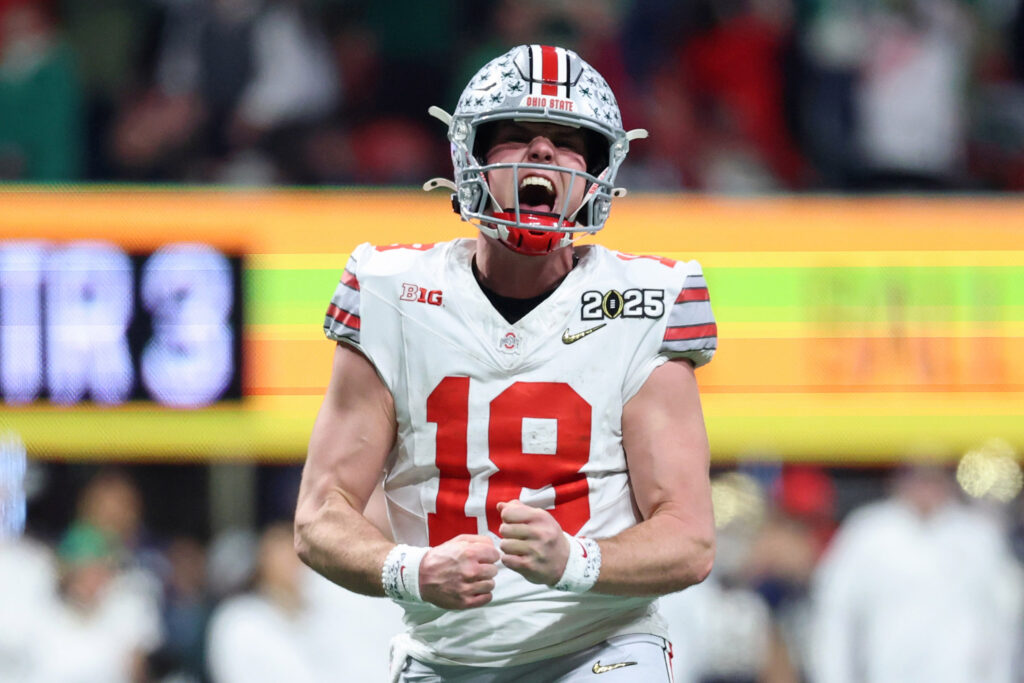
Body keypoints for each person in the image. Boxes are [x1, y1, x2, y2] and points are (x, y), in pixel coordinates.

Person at [294, 44, 718, 681]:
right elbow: (320, 515)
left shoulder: (646, 300)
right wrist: (409, 569)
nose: (543, 152)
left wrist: (578, 561)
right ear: (473, 159)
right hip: (444, 657)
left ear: (597, 169)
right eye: (516, 135)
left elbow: (689, 536)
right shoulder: (391, 290)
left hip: (601, 647)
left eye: (568, 140)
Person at [809, 462, 1024, 683]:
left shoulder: (978, 536)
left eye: (933, 477)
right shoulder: (867, 532)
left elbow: (1004, 622)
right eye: (916, 476)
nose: (925, 487)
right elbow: (836, 614)